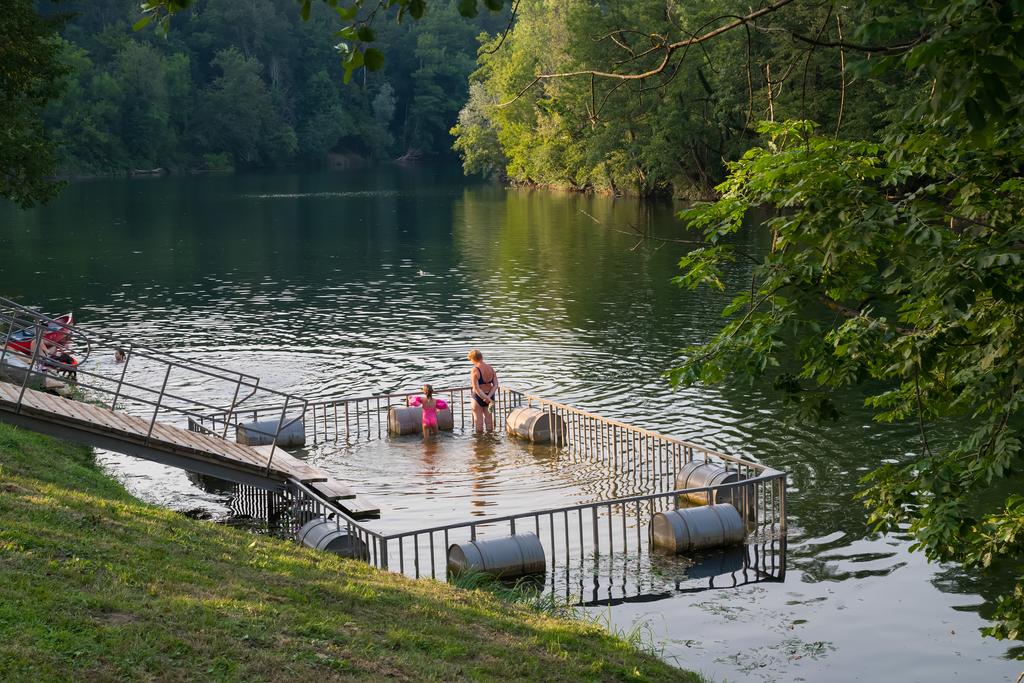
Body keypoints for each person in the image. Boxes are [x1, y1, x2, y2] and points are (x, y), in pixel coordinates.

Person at [467, 349, 498, 433]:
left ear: (473, 359)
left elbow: (476, 388)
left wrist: (486, 398)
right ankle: (490, 440)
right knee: (489, 423)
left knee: (479, 423)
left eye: (471, 360)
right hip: (490, 397)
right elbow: (495, 385)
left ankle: (479, 441)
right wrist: (489, 397)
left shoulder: (475, 370)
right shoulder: (491, 368)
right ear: (481, 357)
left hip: (478, 398)